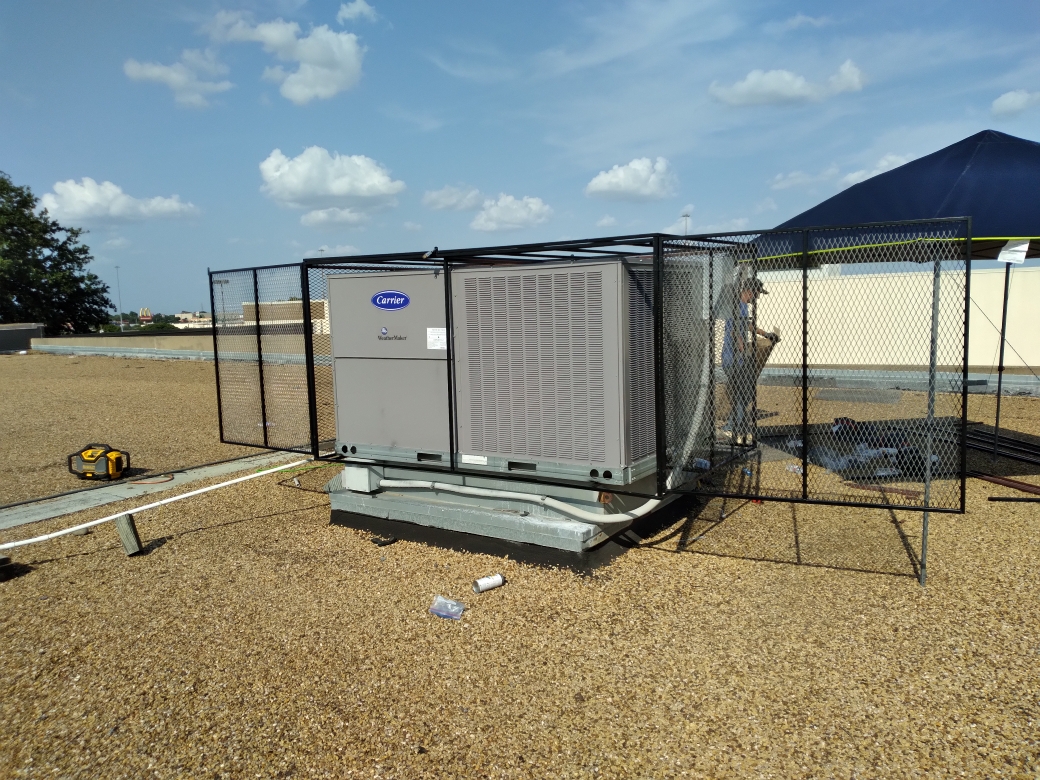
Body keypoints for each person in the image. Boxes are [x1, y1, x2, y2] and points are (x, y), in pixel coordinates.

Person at [721, 278, 778, 445]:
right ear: (750, 291)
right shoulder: (735, 306)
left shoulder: (744, 307)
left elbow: (748, 326)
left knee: (744, 393)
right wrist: (741, 348)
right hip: (731, 358)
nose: (758, 297)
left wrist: (766, 334)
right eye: (758, 293)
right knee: (743, 392)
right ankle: (732, 428)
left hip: (737, 359)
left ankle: (733, 426)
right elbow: (733, 330)